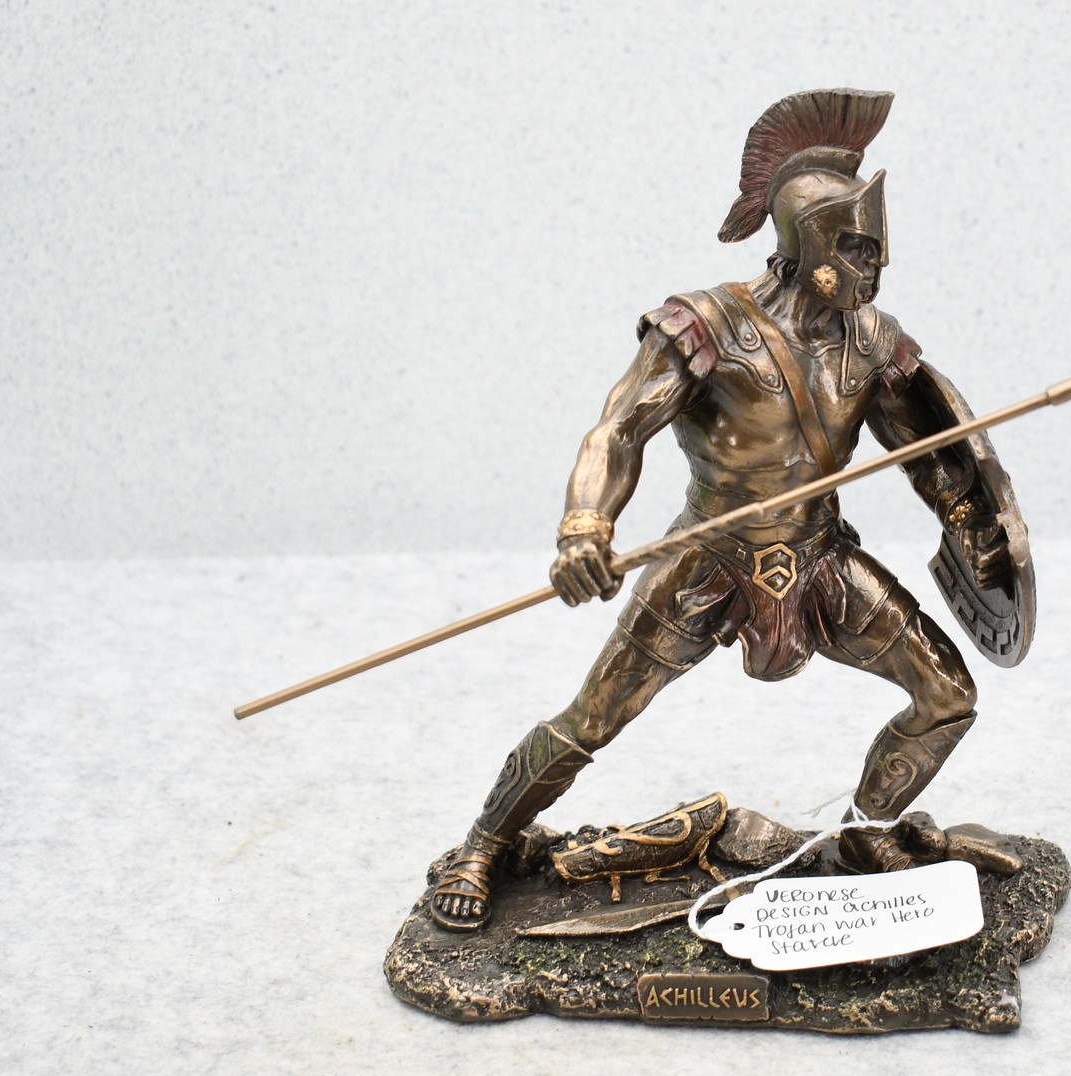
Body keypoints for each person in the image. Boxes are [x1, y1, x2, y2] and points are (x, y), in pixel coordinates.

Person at [432, 89, 1027, 932]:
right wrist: (585, 529)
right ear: (810, 243)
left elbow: (934, 457)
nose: (877, 266)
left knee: (947, 697)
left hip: (820, 558)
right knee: (594, 716)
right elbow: (618, 428)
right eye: (859, 248)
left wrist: (975, 526)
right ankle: (485, 842)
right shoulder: (707, 326)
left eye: (878, 248)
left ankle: (862, 834)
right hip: (708, 561)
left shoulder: (872, 342)